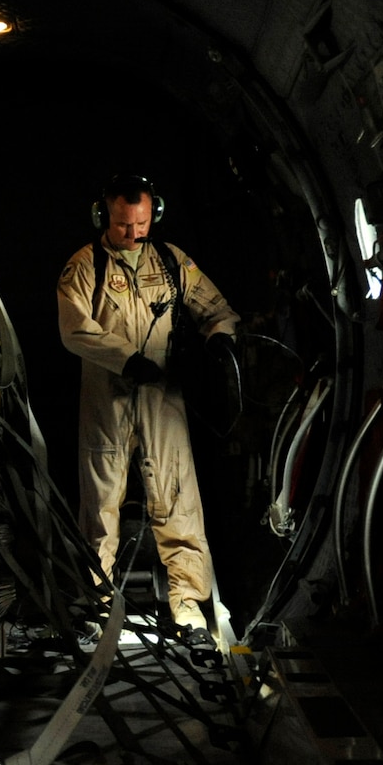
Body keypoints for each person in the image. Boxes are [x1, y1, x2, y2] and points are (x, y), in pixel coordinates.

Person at [56, 173, 239, 646]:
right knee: (100, 508)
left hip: (163, 399)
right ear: (103, 216)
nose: (133, 234)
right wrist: (126, 358)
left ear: (153, 214)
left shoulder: (173, 261)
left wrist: (220, 340)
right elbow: (73, 328)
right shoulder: (85, 266)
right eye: (122, 226)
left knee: (177, 499)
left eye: (140, 225)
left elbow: (216, 308)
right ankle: (96, 607)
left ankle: (188, 606)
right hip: (107, 400)